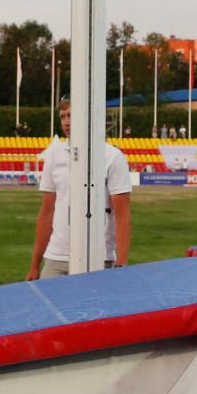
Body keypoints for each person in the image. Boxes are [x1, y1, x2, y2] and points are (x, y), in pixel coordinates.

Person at [26, 98, 131, 280]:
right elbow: (46, 212)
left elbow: (122, 215)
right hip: (57, 256)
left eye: (71, 115)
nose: (66, 121)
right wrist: (34, 265)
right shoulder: (54, 156)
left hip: (99, 257)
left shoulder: (112, 157)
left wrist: (121, 263)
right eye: (63, 117)